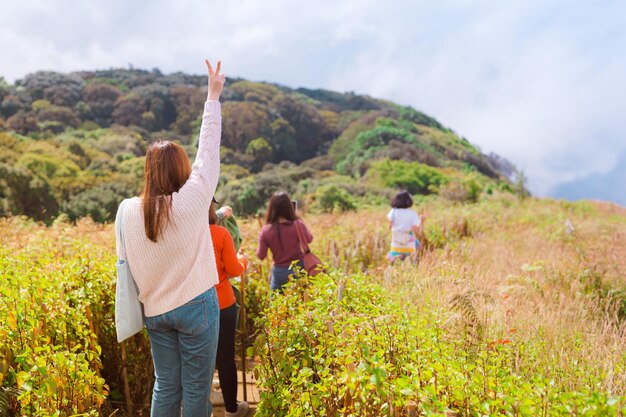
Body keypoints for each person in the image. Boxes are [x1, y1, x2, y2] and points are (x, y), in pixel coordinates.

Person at [115, 58, 225, 417]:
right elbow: (208, 153)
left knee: (165, 386)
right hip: (196, 305)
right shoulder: (191, 201)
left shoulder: (127, 209)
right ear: (181, 169)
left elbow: (125, 263)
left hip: (155, 311)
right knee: (195, 393)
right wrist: (212, 97)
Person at [208, 201, 250, 417]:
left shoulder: (183, 235)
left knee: (198, 357)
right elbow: (233, 269)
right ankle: (232, 409)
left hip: (193, 304)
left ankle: (200, 405)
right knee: (225, 358)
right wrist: (242, 261)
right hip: (222, 303)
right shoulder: (220, 233)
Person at [256, 192, 313, 291]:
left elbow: (261, 256)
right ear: (289, 206)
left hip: (279, 272)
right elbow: (309, 239)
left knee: (275, 301)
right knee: (300, 300)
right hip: (298, 269)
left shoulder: (266, 231)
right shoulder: (298, 224)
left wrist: (261, 237)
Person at [386, 190, 423, 263]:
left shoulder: (393, 211)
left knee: (395, 260)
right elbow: (416, 230)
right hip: (408, 240)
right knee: (420, 248)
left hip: (396, 240)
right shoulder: (412, 213)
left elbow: (390, 226)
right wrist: (422, 220)